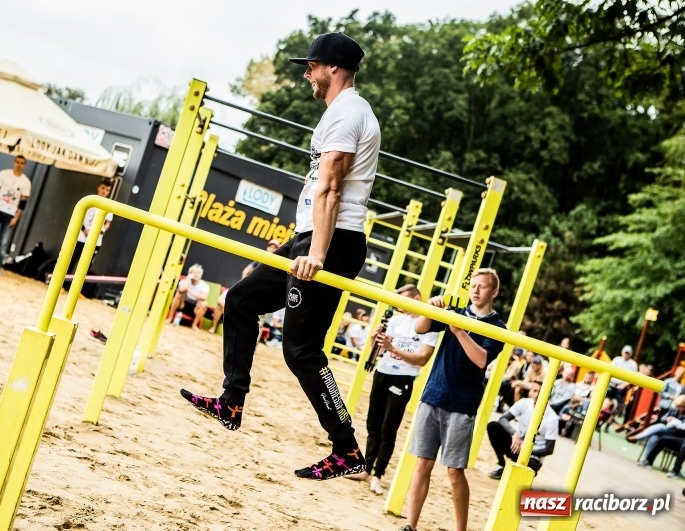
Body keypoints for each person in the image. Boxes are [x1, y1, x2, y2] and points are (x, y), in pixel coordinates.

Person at [180, 32, 380, 480]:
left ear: (332, 68)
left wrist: (318, 254)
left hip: (331, 241)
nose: (306, 74)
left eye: (310, 66)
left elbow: (331, 186)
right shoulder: (342, 112)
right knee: (242, 300)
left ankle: (346, 450)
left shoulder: (347, 113)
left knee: (301, 350)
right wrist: (296, 244)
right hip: (309, 236)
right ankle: (232, 400)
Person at [402, 268, 505, 531]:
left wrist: (459, 331)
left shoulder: (497, 327)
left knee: (454, 472)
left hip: (462, 404)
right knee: (422, 463)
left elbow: (481, 360)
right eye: (473, 285)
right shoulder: (456, 312)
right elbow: (420, 327)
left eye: (482, 286)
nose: (476, 290)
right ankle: (410, 526)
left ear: (494, 292)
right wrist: (431, 308)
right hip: (434, 394)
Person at [347, 284, 438, 495]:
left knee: (389, 428)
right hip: (383, 372)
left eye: (404, 300)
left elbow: (423, 359)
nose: (401, 306)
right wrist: (374, 338)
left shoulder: (429, 323)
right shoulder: (396, 320)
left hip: (403, 377)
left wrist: (393, 348)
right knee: (373, 423)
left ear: (416, 297)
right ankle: (366, 469)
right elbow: (377, 351)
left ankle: (378, 475)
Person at [486, 380, 558, 479]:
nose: (537, 394)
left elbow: (549, 449)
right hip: (516, 446)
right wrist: (513, 433)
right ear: (530, 391)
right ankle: (501, 464)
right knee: (493, 426)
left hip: (532, 455)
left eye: (542, 392)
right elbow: (503, 419)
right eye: (535, 390)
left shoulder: (552, 418)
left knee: (524, 475)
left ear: (548, 395)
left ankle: (513, 471)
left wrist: (526, 451)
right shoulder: (524, 403)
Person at [65, 179, 114, 295]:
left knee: (86, 266)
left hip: (96, 241)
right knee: (72, 261)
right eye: (103, 188)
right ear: (98, 188)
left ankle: (76, 291)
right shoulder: (89, 201)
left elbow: (108, 222)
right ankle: (63, 286)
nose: (104, 191)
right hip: (82, 238)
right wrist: (85, 230)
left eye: (107, 190)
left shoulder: (108, 205)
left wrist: (101, 231)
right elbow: (80, 216)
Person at [631, 395, 685, 466]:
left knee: (660, 427)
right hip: (666, 430)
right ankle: (646, 460)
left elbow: (683, 428)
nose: (681, 408)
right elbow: (662, 419)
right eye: (680, 406)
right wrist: (667, 419)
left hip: (676, 435)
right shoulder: (673, 410)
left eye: (683, 407)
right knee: (655, 436)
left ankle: (638, 438)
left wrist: (676, 422)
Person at [166, 263, 210, 329]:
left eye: (198, 273)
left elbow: (204, 297)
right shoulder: (184, 281)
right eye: (193, 272)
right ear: (190, 274)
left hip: (195, 308)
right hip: (182, 304)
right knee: (178, 294)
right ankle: (170, 318)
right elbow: (181, 290)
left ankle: (194, 325)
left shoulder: (204, 285)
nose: (196, 274)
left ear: (201, 275)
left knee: (204, 303)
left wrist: (189, 290)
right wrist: (188, 279)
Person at [608, 345, 639, 421]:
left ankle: (610, 420)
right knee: (604, 399)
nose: (626, 354)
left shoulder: (633, 364)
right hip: (611, 383)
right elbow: (609, 370)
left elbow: (633, 378)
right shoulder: (617, 359)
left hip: (622, 387)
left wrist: (624, 385)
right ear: (622, 352)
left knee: (619, 404)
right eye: (625, 352)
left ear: (630, 354)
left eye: (628, 353)